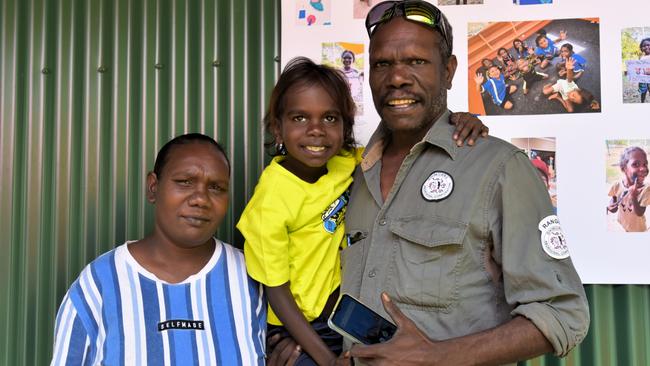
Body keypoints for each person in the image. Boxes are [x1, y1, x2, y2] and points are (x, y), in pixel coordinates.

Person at [337, 1, 588, 365]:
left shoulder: (500, 168)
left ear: (449, 71)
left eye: (417, 61)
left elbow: (564, 314)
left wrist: (437, 357)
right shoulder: (356, 173)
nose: (397, 78)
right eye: (382, 64)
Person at [239, 57, 488, 366]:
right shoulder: (270, 202)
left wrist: (455, 121)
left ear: (345, 126)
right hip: (298, 327)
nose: (316, 130)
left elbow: (408, 145)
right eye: (300, 118)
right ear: (278, 128)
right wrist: (326, 360)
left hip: (344, 315)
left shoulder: (346, 163)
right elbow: (276, 291)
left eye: (330, 118)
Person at [50, 134, 267, 365]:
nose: (201, 199)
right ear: (153, 188)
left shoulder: (252, 278)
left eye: (216, 187)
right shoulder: (99, 284)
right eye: (185, 182)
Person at [607, 146, 650, 232]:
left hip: (638, 228)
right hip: (623, 222)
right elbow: (614, 206)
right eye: (636, 164)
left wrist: (633, 196)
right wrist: (611, 205)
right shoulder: (617, 185)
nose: (643, 168)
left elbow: (640, 212)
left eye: (645, 164)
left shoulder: (646, 189)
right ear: (624, 168)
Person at [638, 38, 650, 103]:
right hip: (643, 78)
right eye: (644, 46)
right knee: (643, 91)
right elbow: (639, 67)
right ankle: (642, 102)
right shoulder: (641, 57)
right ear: (641, 48)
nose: (646, 47)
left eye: (648, 45)